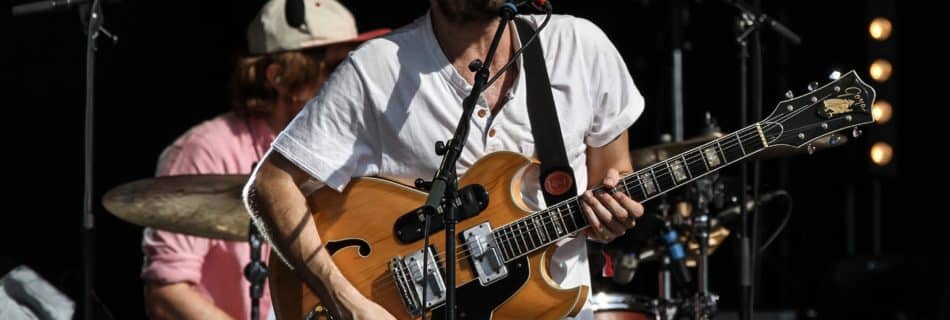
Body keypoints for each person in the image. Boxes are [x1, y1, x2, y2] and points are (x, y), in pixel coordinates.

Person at [247, 0, 646, 319]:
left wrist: (611, 219)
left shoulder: (580, 47)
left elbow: (613, 176)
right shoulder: (376, 69)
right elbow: (270, 185)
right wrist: (345, 300)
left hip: (553, 307)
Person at [139, 0, 388, 319]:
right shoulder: (205, 150)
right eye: (337, 68)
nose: (350, 82)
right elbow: (166, 293)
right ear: (278, 77)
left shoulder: (349, 146)